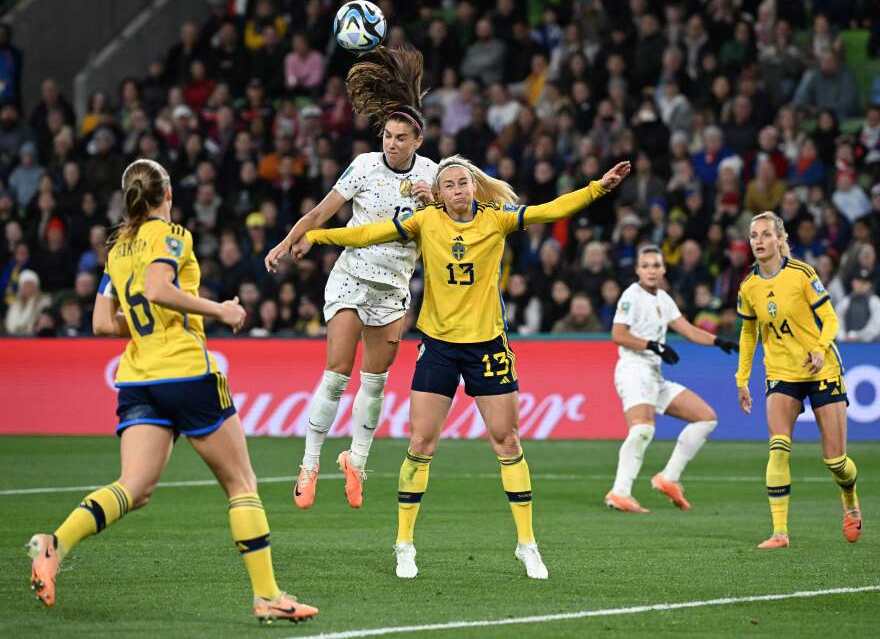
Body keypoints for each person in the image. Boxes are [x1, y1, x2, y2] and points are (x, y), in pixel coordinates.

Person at [296, 155, 632, 580]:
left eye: (463, 183)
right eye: (449, 185)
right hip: (438, 346)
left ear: (474, 187)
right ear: (439, 193)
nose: (458, 190)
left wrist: (598, 187)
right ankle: (404, 544)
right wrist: (317, 235)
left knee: (507, 441)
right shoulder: (425, 222)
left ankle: (527, 544)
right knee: (421, 443)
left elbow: (553, 209)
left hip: (487, 345)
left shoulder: (497, 219)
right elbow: (366, 233)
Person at [26, 159, 317, 624]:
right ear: (167, 196)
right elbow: (159, 288)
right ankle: (267, 596)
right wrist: (218, 310)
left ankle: (54, 544)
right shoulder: (173, 235)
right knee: (241, 484)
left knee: (134, 488)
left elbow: (102, 322)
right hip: (185, 371)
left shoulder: (118, 249)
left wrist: (149, 326)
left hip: (138, 377)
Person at [264, 45, 437, 510]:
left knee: (375, 382)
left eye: (402, 137)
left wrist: (435, 202)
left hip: (393, 290)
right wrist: (286, 243)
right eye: (388, 134)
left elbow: (456, 223)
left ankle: (356, 462)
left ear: (418, 141)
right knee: (337, 374)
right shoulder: (362, 166)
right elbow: (323, 211)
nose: (392, 143)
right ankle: (309, 465)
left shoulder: (434, 177)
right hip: (351, 279)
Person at [736, 210, 861, 549]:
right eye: (754, 235)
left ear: (779, 239)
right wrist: (742, 377)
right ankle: (780, 532)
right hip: (780, 372)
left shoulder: (802, 274)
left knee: (836, 462)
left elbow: (830, 319)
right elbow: (749, 332)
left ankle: (849, 496)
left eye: (765, 234)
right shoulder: (748, 286)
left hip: (820, 369)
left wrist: (821, 348)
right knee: (778, 447)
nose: (759, 241)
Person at [606, 246, 739, 513]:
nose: (651, 270)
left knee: (706, 418)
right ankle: (620, 492)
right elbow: (618, 334)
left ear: (664, 269)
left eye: (656, 265)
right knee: (643, 428)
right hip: (633, 369)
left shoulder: (663, 299)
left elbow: (688, 329)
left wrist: (717, 341)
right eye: (646, 266)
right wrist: (653, 345)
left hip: (654, 374)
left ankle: (669, 477)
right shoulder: (631, 296)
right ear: (638, 270)